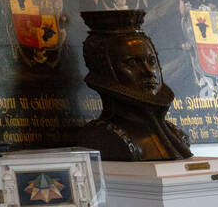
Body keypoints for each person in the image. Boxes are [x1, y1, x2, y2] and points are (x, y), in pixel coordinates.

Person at [78, 16, 193, 161]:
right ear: (106, 71)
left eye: (152, 62)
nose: (149, 71)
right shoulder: (104, 136)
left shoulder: (175, 135)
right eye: (132, 63)